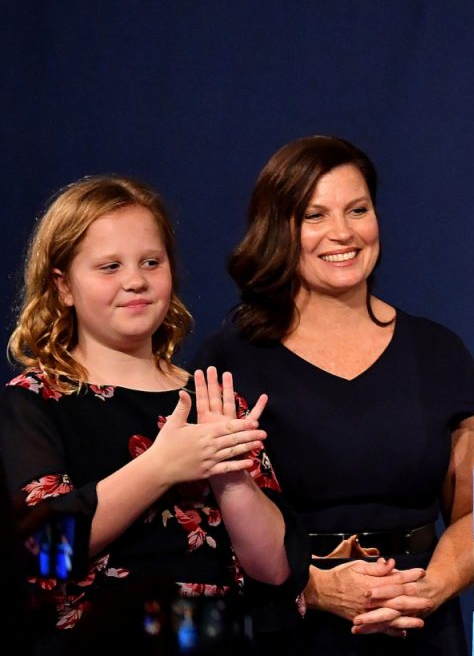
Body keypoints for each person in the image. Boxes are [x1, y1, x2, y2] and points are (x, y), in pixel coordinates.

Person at [193, 136, 474, 654]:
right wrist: (318, 590)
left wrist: (428, 589)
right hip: (287, 629)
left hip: (419, 625)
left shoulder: (440, 352)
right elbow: (200, 533)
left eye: (358, 209)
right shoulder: (226, 365)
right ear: (277, 229)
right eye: (315, 216)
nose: (343, 233)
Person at [0, 176, 305, 654]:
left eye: (150, 262)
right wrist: (161, 467)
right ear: (63, 287)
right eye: (108, 267)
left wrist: (230, 479)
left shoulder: (211, 398)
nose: (135, 280)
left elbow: (274, 570)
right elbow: (44, 555)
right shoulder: (34, 400)